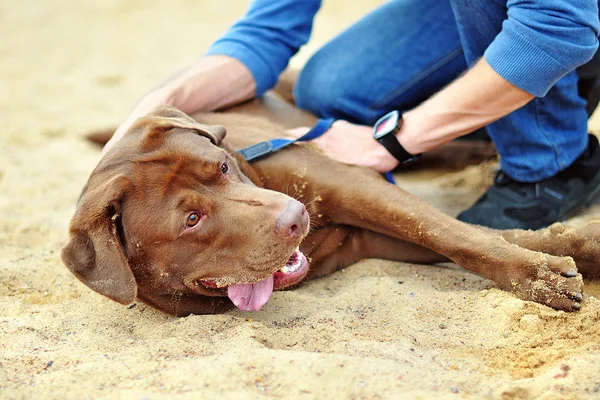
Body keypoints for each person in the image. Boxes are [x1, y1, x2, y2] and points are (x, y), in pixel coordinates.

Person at [104, 0, 600, 230]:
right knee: (334, 87)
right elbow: (265, 34)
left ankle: (550, 160)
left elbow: (555, 28)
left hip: (563, 14)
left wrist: (390, 142)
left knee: (547, 37)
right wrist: (157, 106)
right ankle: (516, 102)